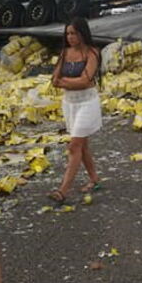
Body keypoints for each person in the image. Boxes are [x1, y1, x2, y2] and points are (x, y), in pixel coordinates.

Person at [47, 18, 102, 203]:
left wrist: (65, 82)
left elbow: (86, 80)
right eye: (68, 33)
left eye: (74, 33)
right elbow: (54, 79)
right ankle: (94, 179)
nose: (70, 37)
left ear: (82, 34)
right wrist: (71, 82)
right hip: (70, 104)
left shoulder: (92, 52)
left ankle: (63, 190)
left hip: (87, 103)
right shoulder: (65, 53)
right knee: (82, 145)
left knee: (74, 145)